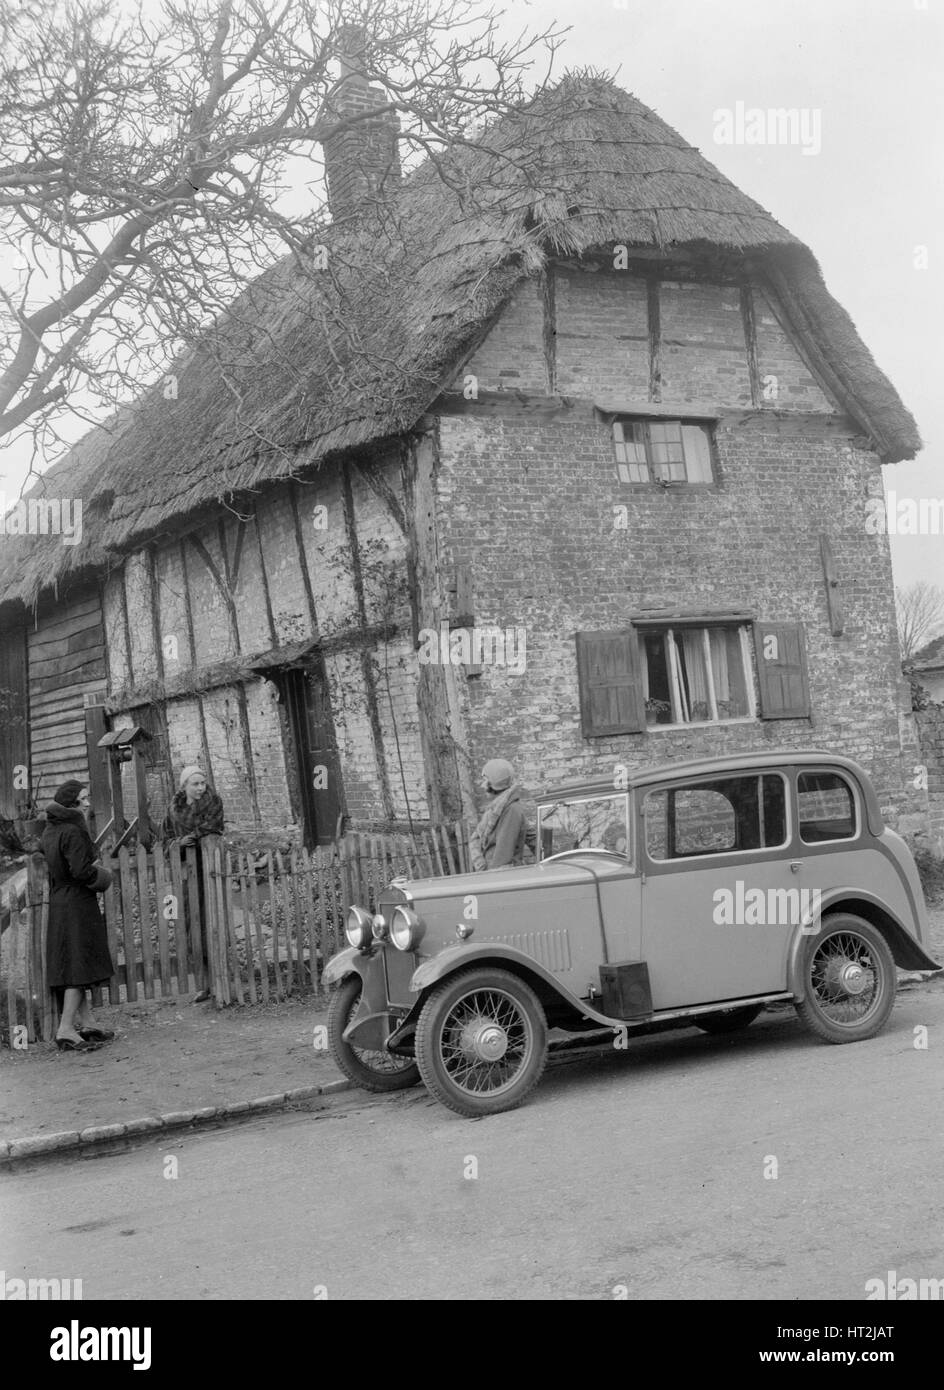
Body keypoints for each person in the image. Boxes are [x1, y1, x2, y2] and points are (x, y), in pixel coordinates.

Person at [42, 780, 115, 1052]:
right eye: (82, 799)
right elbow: (81, 871)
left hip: (61, 900)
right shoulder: (73, 830)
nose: (87, 803)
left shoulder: (51, 830)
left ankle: (88, 1023)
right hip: (77, 904)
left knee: (76, 964)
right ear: (71, 804)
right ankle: (65, 1029)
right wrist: (104, 878)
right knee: (77, 967)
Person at [161, 766, 224, 1002]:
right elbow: (164, 840)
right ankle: (204, 983)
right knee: (193, 926)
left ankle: (220, 981)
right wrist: (179, 842)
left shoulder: (214, 803)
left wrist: (195, 837)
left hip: (210, 870)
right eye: (194, 784)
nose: (200, 788)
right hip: (187, 875)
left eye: (202, 783)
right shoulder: (173, 811)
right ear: (184, 786)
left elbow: (214, 827)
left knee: (213, 924)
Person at [469, 758, 529, 871]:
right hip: (489, 871)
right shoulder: (496, 807)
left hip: (501, 876)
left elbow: (502, 859)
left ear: (494, 784)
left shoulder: (511, 810)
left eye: (485, 780)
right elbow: (476, 836)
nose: (482, 785)